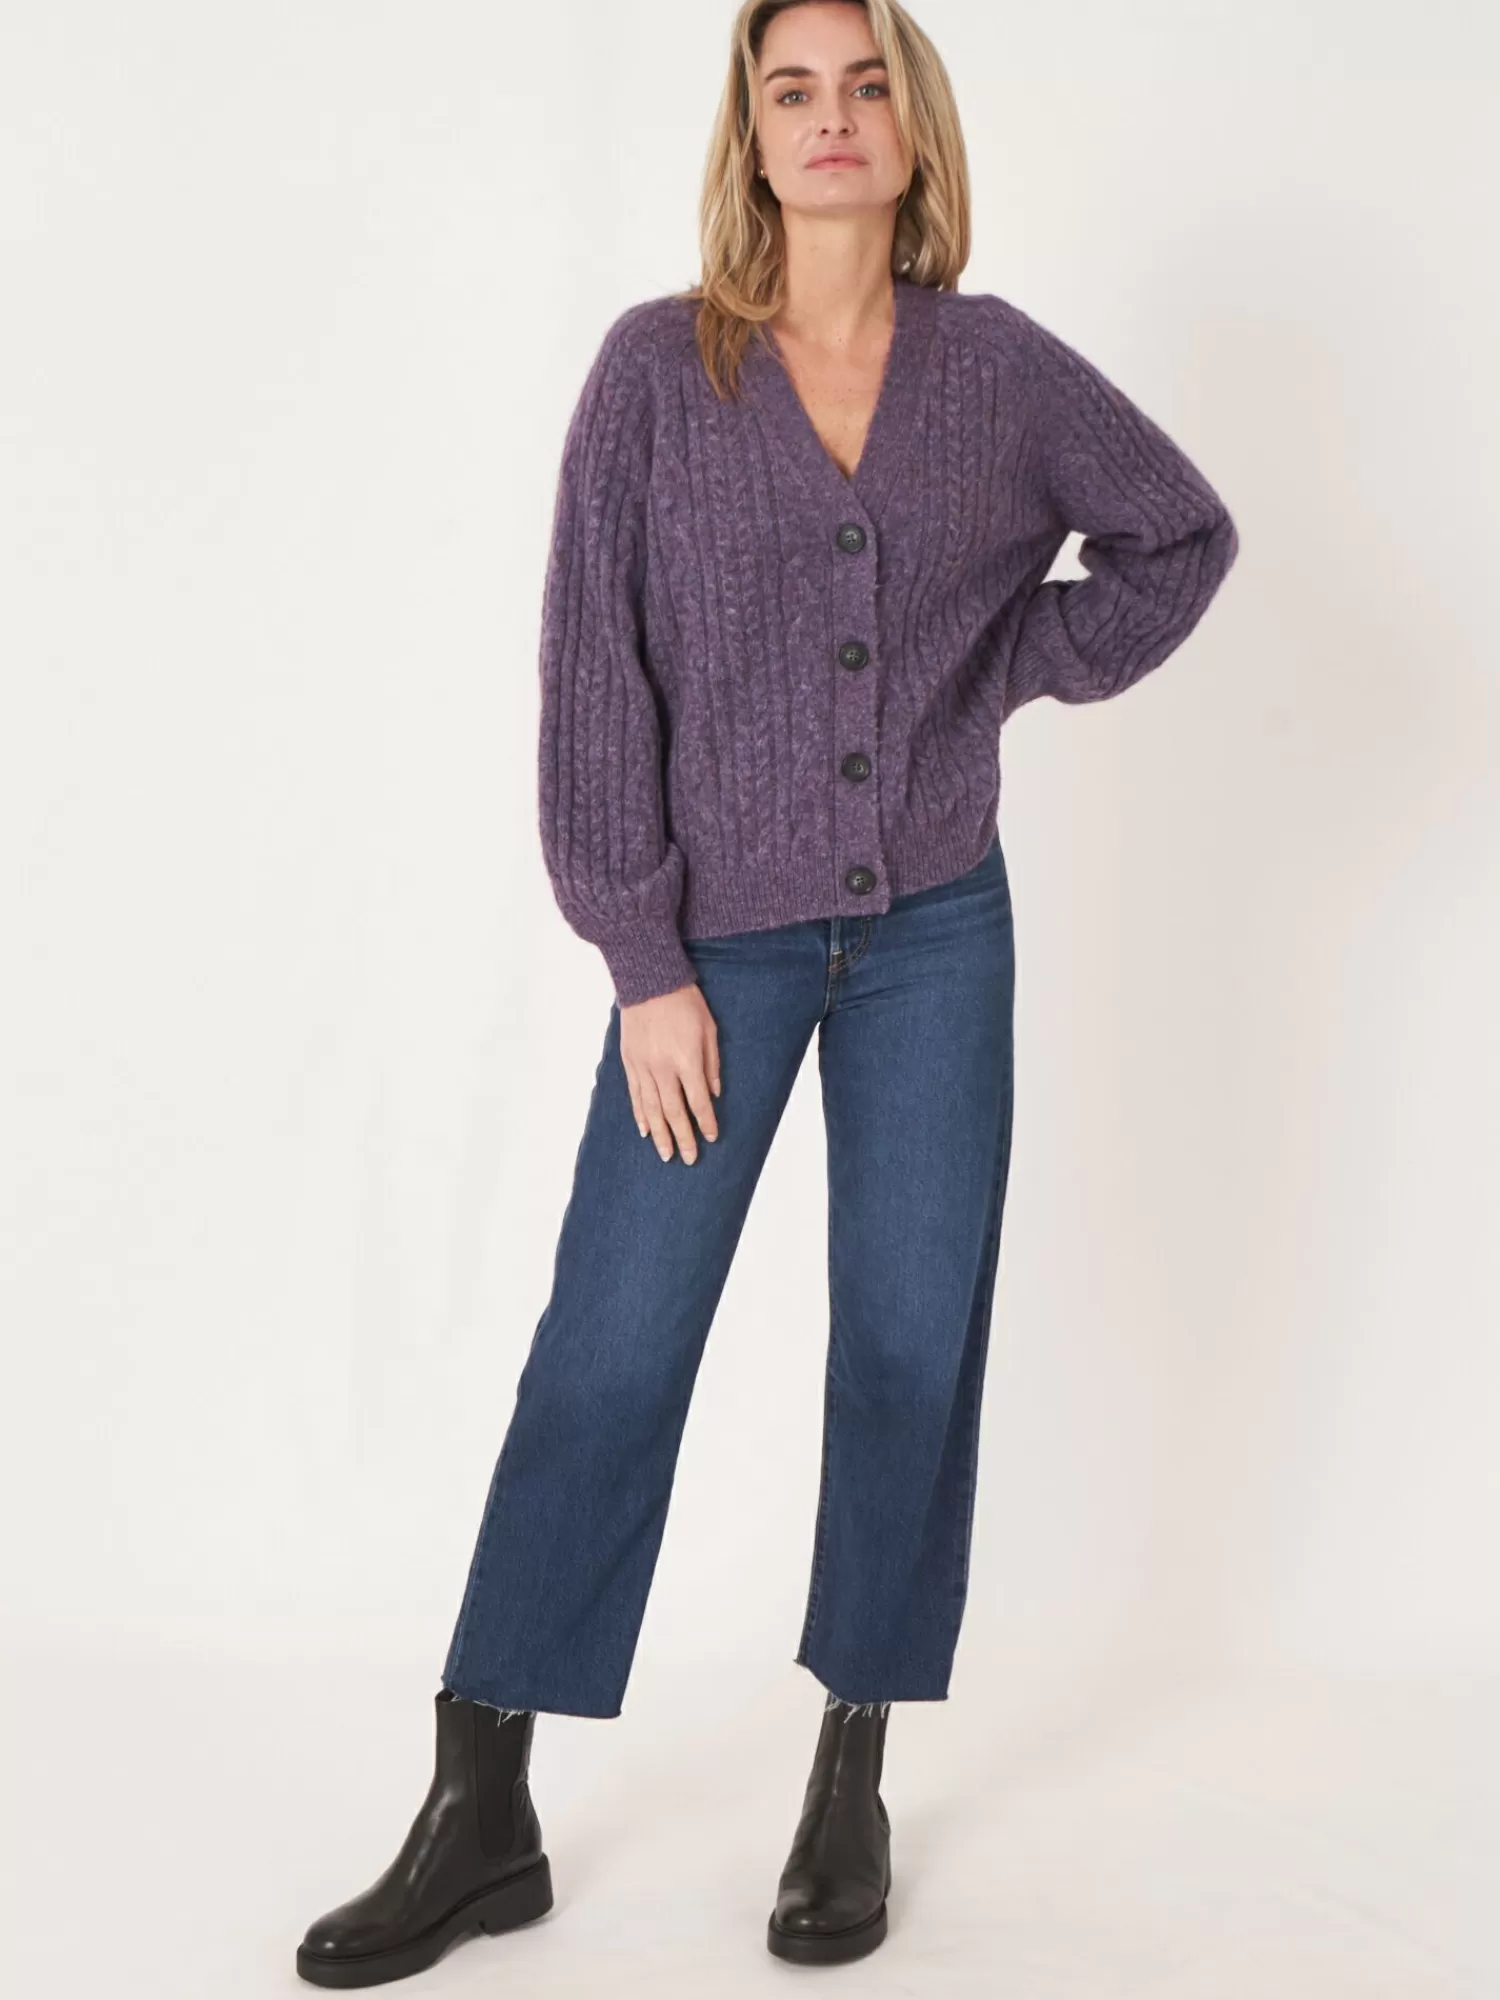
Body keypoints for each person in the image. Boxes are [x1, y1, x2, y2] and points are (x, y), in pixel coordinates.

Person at [295, 0, 1239, 1983]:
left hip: (937, 938)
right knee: (613, 1344)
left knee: (908, 1344)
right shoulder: (662, 369)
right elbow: (593, 673)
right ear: (750, 133)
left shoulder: (998, 370)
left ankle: (851, 1771)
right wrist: (643, 961)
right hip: (709, 948)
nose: (829, 117)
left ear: (915, 126)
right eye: (791, 89)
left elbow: (1178, 534)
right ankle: (480, 1799)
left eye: (864, 84)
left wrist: (1012, 663)